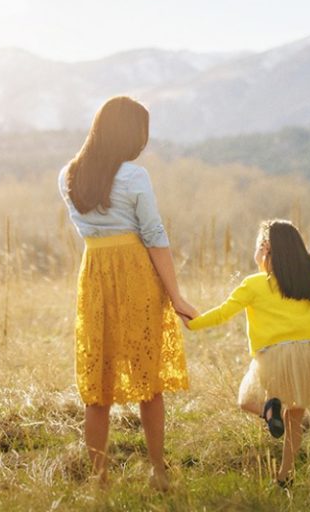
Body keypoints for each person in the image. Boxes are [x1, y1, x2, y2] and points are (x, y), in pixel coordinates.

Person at [58, 95, 198, 491]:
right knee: (148, 379)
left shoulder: (67, 175)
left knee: (97, 383)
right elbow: (154, 237)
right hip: (136, 274)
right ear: (129, 135)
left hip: (95, 274)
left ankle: (99, 480)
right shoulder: (136, 177)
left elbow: (87, 230)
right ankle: (159, 472)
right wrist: (176, 296)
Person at [187, 219, 310, 487]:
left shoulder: (254, 284)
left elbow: (223, 313)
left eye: (258, 248)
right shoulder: (308, 279)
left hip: (274, 356)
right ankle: (285, 474)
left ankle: (269, 411)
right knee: (295, 419)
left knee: (246, 402)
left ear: (266, 249)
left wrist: (193, 323)